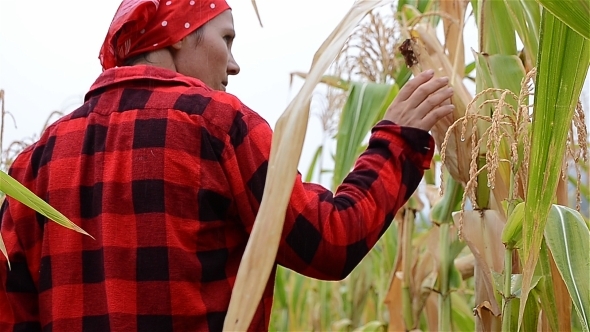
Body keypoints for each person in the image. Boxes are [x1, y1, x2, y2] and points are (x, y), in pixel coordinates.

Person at [0, 0, 454, 331]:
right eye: (227, 38)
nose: (234, 65)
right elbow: (330, 241)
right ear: (177, 36)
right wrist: (396, 141)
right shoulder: (217, 125)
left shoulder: (33, 164)